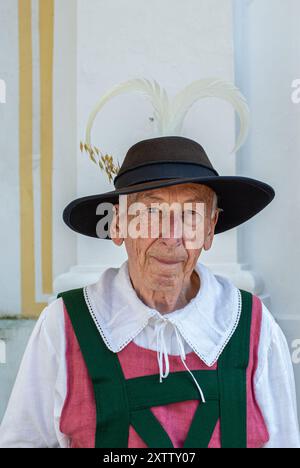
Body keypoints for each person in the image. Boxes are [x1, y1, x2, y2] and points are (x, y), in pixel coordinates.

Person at [0, 79, 299, 448]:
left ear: (210, 230)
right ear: (119, 224)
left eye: (190, 215)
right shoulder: (63, 327)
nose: (170, 236)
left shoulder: (253, 328)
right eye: (152, 211)